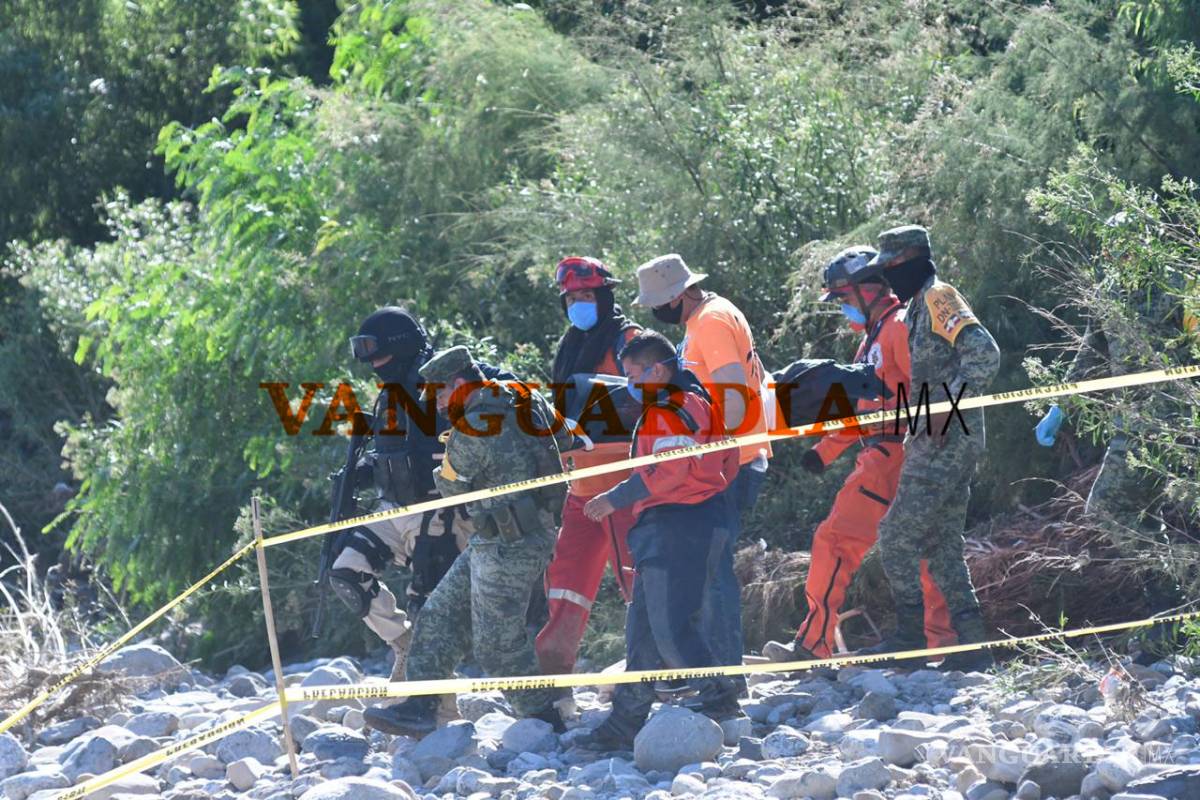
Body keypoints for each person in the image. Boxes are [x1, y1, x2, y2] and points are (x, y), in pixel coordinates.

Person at [362, 346, 577, 735]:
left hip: (509, 547)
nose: (439, 404)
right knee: (438, 616)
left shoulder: (471, 427)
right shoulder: (524, 396)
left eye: (441, 394)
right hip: (507, 538)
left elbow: (450, 489)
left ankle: (545, 721)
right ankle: (421, 707)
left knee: (497, 646)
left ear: (459, 383)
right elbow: (566, 436)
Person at [762, 247, 956, 663]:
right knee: (923, 552)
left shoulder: (898, 329)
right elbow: (864, 410)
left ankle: (813, 643)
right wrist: (824, 452)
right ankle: (942, 643)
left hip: (895, 455)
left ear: (869, 289)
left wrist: (932, 446)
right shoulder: (873, 338)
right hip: (891, 453)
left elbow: (927, 393)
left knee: (835, 541)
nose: (843, 308)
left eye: (845, 298)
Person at [1033, 213, 1197, 660]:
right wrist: (1060, 406)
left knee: (1111, 506)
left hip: (1173, 420)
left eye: (1126, 242)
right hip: (1134, 423)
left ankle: (1176, 612)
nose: (1118, 252)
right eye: (1111, 244)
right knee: (1125, 510)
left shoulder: (1174, 283)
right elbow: (1091, 353)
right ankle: (1172, 618)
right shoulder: (1108, 290)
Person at [576, 331, 744, 749]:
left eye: (634, 374)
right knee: (643, 630)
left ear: (658, 370)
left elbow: (669, 471)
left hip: (676, 525)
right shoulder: (698, 404)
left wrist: (614, 499)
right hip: (689, 521)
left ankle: (721, 700)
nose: (630, 383)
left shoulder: (669, 410)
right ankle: (626, 720)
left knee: (669, 630)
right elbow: (730, 462)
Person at [859, 225, 1001, 672]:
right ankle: (973, 647)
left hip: (947, 442)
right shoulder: (918, 307)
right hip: (936, 440)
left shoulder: (939, 297)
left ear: (914, 260)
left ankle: (910, 639)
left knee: (895, 537)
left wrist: (947, 407)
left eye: (892, 267)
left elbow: (985, 355)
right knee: (942, 547)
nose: (887, 277)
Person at [633, 253, 769, 670]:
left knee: (711, 575)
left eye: (658, 303)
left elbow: (733, 397)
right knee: (703, 571)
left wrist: (705, 452)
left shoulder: (711, 321)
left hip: (728, 463)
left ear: (678, 295)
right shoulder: (707, 318)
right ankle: (709, 674)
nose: (657, 312)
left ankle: (724, 678)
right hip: (730, 458)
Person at [331, 308, 469, 694]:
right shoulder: (390, 395)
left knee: (426, 608)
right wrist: (361, 472)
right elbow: (391, 451)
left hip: (439, 511)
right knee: (347, 573)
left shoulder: (442, 385)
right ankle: (406, 649)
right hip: (393, 509)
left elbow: (477, 445)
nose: (373, 363)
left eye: (377, 353)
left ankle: (437, 703)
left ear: (400, 344)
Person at [537, 257, 641, 681]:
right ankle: (553, 676)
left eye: (585, 295)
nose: (578, 304)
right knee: (564, 582)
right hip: (579, 486)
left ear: (604, 295)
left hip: (622, 484)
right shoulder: (570, 347)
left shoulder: (630, 341)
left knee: (637, 577)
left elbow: (655, 401)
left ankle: (660, 670)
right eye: (571, 298)